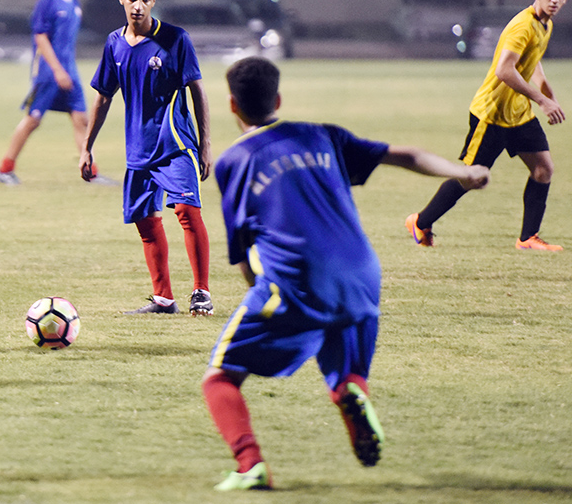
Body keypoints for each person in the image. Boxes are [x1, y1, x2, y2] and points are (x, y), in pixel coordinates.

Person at [203, 57, 490, 490]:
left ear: (232, 106)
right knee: (344, 370)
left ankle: (250, 466)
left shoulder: (233, 162)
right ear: (278, 99)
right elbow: (406, 154)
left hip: (297, 281)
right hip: (362, 274)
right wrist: (463, 172)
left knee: (220, 378)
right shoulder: (322, 134)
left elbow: (244, 256)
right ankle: (351, 392)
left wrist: (268, 301)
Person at [79, 0, 214, 316]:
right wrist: (87, 146)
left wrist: (205, 144)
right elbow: (104, 96)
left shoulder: (174, 39)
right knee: (146, 222)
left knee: (186, 211)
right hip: (137, 150)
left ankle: (201, 291)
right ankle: (163, 298)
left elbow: (196, 90)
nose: (138, 5)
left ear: (154, 1)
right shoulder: (114, 43)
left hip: (175, 145)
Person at [406, 0, 568, 251]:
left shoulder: (546, 25)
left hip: (518, 113)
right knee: (471, 177)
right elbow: (506, 71)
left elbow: (533, 60)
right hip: (491, 115)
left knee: (543, 169)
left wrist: (547, 91)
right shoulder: (523, 25)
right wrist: (542, 101)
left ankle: (528, 238)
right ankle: (420, 222)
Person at [0, 0, 112, 185]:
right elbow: (40, 37)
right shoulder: (47, 1)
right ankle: (5, 169)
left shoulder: (75, 2)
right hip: (49, 73)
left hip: (70, 71)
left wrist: (66, 70)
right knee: (33, 120)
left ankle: (91, 173)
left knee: (82, 120)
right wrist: (57, 70)